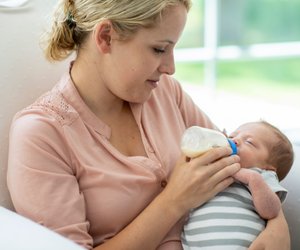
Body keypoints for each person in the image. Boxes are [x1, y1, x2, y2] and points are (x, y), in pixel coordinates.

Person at [6, 0, 290, 249]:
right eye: (158, 49)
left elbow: (240, 165)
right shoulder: (42, 135)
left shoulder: (165, 92)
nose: (170, 67)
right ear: (105, 37)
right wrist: (174, 200)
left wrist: (278, 226)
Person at [182, 121, 294, 250]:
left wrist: (253, 180)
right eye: (231, 136)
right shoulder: (213, 166)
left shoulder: (262, 175)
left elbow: (272, 211)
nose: (235, 140)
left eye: (249, 142)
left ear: (268, 167)